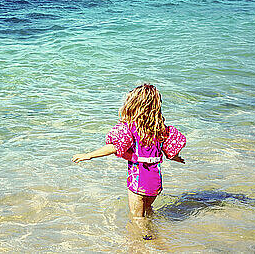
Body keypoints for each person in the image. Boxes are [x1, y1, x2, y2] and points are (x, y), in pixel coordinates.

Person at [71, 84, 186, 237]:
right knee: (147, 209)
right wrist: (176, 157)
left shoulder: (130, 129)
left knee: (137, 216)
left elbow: (113, 147)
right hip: (155, 181)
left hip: (138, 181)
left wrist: (89, 155)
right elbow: (169, 149)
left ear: (133, 105)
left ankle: (147, 239)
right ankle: (154, 228)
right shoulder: (160, 129)